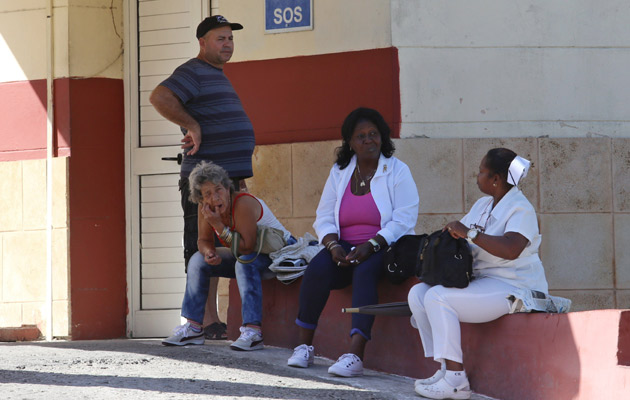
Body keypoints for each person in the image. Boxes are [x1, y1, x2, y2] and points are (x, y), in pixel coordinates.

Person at [287, 108, 419, 377]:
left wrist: (372, 244)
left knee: (365, 271)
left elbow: (405, 219)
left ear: (382, 137)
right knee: (317, 269)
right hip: (344, 246)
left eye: (374, 134)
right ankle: (303, 346)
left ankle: (355, 355)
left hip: (385, 247)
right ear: (350, 142)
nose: (369, 140)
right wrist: (333, 246)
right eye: (361, 136)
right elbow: (324, 215)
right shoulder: (340, 171)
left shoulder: (397, 170)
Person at [408, 148, 549, 399]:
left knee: (438, 297)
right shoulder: (483, 204)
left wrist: (469, 233)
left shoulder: (520, 208)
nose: (477, 176)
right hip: (484, 281)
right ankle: (444, 368)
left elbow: (511, 249)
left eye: (482, 172)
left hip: (513, 287)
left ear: (495, 179)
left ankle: (456, 381)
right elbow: (460, 235)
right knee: (419, 293)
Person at [149, 15, 255, 340]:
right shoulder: (193, 71)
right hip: (204, 187)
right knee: (203, 245)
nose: (227, 44)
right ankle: (206, 320)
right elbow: (159, 97)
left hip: (228, 182)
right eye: (220, 38)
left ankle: (212, 319)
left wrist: (239, 178)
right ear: (203, 43)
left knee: (225, 246)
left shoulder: (215, 74)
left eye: (230, 39)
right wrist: (192, 126)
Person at [162, 161, 295, 350]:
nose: (215, 198)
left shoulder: (243, 203)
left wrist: (218, 226)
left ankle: (253, 332)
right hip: (245, 253)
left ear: (227, 187)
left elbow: (247, 247)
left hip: (277, 255)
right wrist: (209, 253)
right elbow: (203, 241)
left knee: (244, 262)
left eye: (218, 190)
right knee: (197, 261)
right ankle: (193, 328)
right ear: (201, 198)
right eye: (207, 194)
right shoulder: (205, 209)